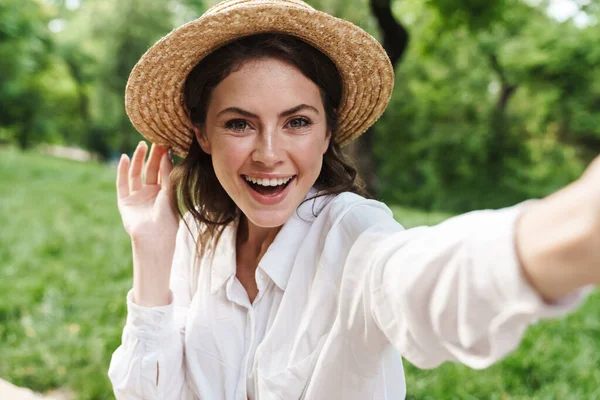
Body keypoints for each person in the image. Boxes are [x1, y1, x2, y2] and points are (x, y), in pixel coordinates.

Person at [107, 0, 599, 399]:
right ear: (204, 134)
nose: (269, 154)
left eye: (297, 122)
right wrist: (151, 253)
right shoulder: (198, 237)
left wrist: (563, 235)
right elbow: (144, 392)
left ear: (327, 133)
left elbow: (418, 281)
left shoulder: (355, 233)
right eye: (239, 123)